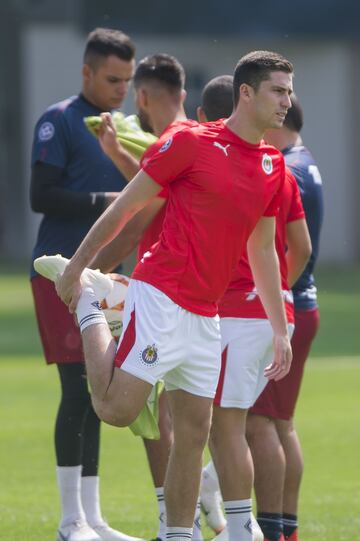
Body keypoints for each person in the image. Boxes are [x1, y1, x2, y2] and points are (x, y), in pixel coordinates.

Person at [55, 50, 294, 541]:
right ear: (246, 93)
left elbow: (264, 248)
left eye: (290, 91)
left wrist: (277, 325)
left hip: (208, 318)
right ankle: (92, 306)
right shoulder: (189, 142)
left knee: (192, 437)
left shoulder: (273, 164)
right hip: (161, 296)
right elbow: (126, 206)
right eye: (278, 90)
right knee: (117, 411)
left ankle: (178, 535)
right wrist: (80, 268)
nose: (287, 101)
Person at [30, 27, 143, 541]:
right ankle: (68, 520)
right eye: (112, 78)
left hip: (106, 277)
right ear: (87, 73)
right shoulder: (60, 121)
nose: (121, 88)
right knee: (76, 390)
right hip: (60, 273)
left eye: (128, 79)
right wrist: (108, 202)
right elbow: (41, 194)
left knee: (99, 390)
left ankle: (93, 518)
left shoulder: (126, 128)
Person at [91, 53, 200, 541]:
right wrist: (119, 156)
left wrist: (89, 272)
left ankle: (186, 520)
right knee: (175, 417)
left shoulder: (174, 142)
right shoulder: (194, 140)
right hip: (197, 296)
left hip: (161, 293)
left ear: (142, 96)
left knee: (143, 414)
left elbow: (136, 217)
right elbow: (157, 192)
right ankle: (190, 523)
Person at [246, 95, 324, 541]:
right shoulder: (305, 160)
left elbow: (297, 249)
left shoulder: (286, 169)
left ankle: (273, 528)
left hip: (290, 305)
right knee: (280, 423)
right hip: (305, 302)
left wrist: (270, 299)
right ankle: (286, 529)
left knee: (260, 423)